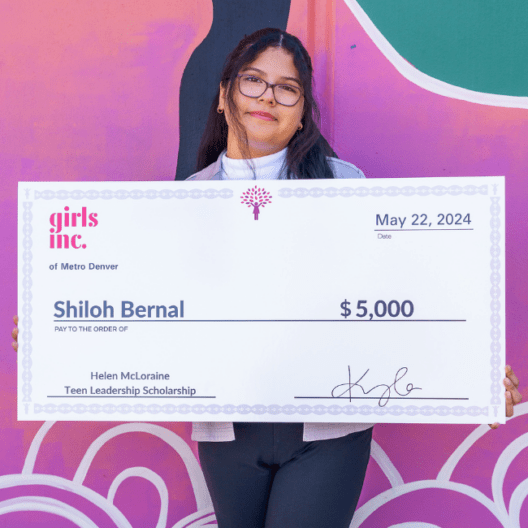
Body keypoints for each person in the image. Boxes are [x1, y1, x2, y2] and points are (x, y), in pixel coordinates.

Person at [11, 27, 522, 528]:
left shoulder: (346, 189)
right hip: (227, 432)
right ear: (223, 96)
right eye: (253, 80)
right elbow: (137, 314)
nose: (268, 96)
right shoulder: (182, 202)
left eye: (287, 88)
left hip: (328, 430)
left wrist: (467, 373)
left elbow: (397, 301)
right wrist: (56, 336)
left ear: (301, 114)